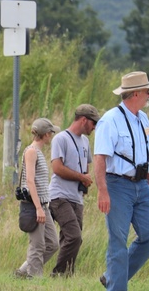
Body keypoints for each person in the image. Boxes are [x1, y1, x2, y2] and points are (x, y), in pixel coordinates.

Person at [93, 71, 149, 291]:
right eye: (146, 91)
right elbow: (100, 158)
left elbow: (148, 156)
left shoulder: (143, 119)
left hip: (142, 185)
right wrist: (103, 191)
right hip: (117, 185)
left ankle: (113, 276)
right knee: (118, 239)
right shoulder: (110, 120)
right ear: (135, 94)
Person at [48, 104, 100, 277]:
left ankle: (66, 277)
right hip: (59, 196)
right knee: (74, 236)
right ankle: (58, 274)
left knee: (71, 239)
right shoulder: (60, 139)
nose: (95, 127)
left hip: (77, 197)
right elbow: (57, 168)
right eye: (93, 123)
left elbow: (85, 168)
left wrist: (85, 181)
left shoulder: (85, 141)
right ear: (84, 120)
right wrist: (81, 177)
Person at [14, 117, 60, 279]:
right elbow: (30, 181)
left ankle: (23, 271)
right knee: (38, 245)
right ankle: (34, 278)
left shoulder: (37, 152)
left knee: (53, 244)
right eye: (51, 132)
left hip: (43, 204)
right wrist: (38, 208)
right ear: (46, 134)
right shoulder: (32, 151)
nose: (52, 135)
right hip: (35, 205)